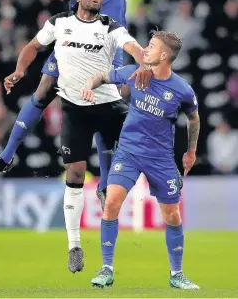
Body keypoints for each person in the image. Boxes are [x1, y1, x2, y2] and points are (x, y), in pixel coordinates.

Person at [0, 0, 195, 204]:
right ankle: (6, 156)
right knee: (42, 92)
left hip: (109, 40)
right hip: (73, 33)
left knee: (106, 105)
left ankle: (106, 185)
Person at [0, 0, 146, 272]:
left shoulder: (110, 25)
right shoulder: (60, 22)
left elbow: (133, 46)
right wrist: (19, 70)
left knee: (144, 128)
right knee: (75, 173)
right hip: (74, 108)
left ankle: (156, 176)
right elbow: (33, 45)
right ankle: (75, 247)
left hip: (107, 105)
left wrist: (148, 62)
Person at [80, 31, 200, 289]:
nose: (145, 49)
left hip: (161, 159)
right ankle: (106, 269)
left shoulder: (181, 89)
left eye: (152, 46)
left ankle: (177, 274)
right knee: (111, 201)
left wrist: (190, 151)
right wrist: (89, 85)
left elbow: (193, 117)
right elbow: (102, 76)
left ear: (165, 55)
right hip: (129, 152)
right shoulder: (135, 73)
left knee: (172, 215)